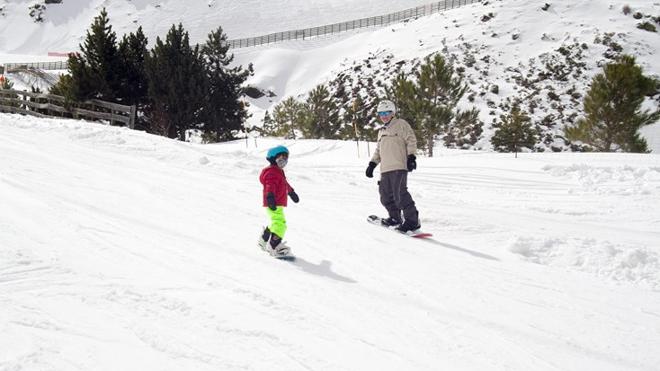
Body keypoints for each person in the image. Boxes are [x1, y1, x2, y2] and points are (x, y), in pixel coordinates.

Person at [365, 99, 421, 232]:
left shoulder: (401, 124)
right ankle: (395, 218)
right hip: (385, 169)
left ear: (393, 113)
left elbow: (411, 140)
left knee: (400, 195)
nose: (384, 116)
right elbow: (379, 150)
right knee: (385, 196)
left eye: (386, 112)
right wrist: (372, 164)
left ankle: (413, 221)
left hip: (399, 167)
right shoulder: (381, 131)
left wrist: (411, 157)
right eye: (381, 113)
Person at [259, 145, 299, 256]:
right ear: (273, 158)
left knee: (276, 222)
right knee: (280, 224)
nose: (284, 161)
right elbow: (269, 185)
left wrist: (291, 192)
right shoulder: (271, 172)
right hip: (273, 202)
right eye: (282, 158)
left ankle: (264, 239)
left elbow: (284, 184)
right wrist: (270, 197)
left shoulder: (278, 171)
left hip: (277, 202)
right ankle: (274, 246)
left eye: (286, 158)